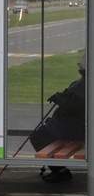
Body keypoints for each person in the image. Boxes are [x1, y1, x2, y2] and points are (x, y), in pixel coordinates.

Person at [30, 53, 87, 183]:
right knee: (46, 130)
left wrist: (58, 98)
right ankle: (58, 169)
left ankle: (60, 171)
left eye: (80, 65)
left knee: (39, 136)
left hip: (76, 127)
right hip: (79, 124)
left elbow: (74, 105)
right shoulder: (83, 82)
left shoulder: (85, 84)